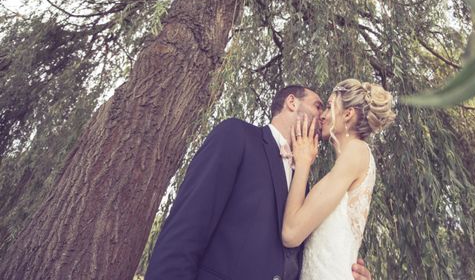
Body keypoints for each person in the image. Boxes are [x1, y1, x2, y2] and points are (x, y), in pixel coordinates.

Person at [145, 85, 372, 280]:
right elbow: (186, 228)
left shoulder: (302, 181)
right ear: (292, 102)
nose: (322, 115)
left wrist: (344, 270)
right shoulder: (237, 136)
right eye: (318, 106)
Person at [281, 79, 396, 280]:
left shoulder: (356, 151)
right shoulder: (349, 162)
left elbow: (291, 233)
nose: (322, 116)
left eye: (328, 107)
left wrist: (303, 162)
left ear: (348, 114)